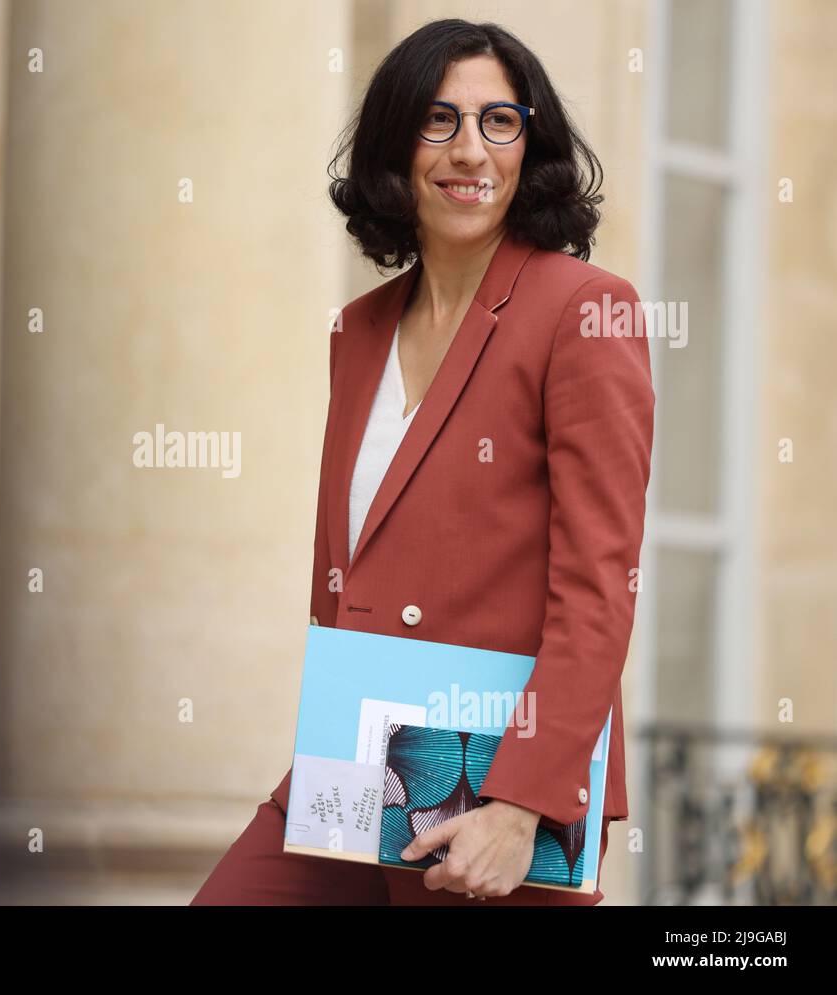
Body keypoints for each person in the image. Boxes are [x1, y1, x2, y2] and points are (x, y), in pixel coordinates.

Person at [192, 18, 654, 906]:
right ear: (395, 148)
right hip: (355, 765)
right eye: (437, 121)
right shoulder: (359, 330)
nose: (470, 151)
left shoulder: (588, 311)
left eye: (499, 122)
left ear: (531, 144)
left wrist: (522, 802)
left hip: (491, 783)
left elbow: (600, 583)